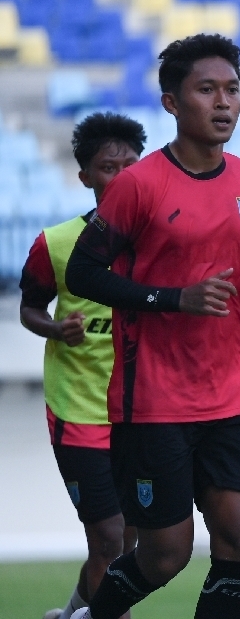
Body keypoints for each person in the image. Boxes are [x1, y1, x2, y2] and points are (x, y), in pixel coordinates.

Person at [64, 33, 240, 619]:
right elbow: (86, 273)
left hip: (236, 390)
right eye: (207, 89)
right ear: (171, 102)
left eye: (233, 90)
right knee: (166, 553)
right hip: (156, 397)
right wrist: (172, 298)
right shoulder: (139, 185)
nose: (223, 103)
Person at [20, 112, 146, 619]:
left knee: (127, 540)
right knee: (110, 538)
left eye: (129, 165)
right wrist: (55, 328)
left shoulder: (158, 241)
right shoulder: (56, 243)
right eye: (107, 166)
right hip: (78, 410)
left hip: (140, 410)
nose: (119, 175)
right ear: (85, 176)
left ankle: (71, 612)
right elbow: (29, 308)